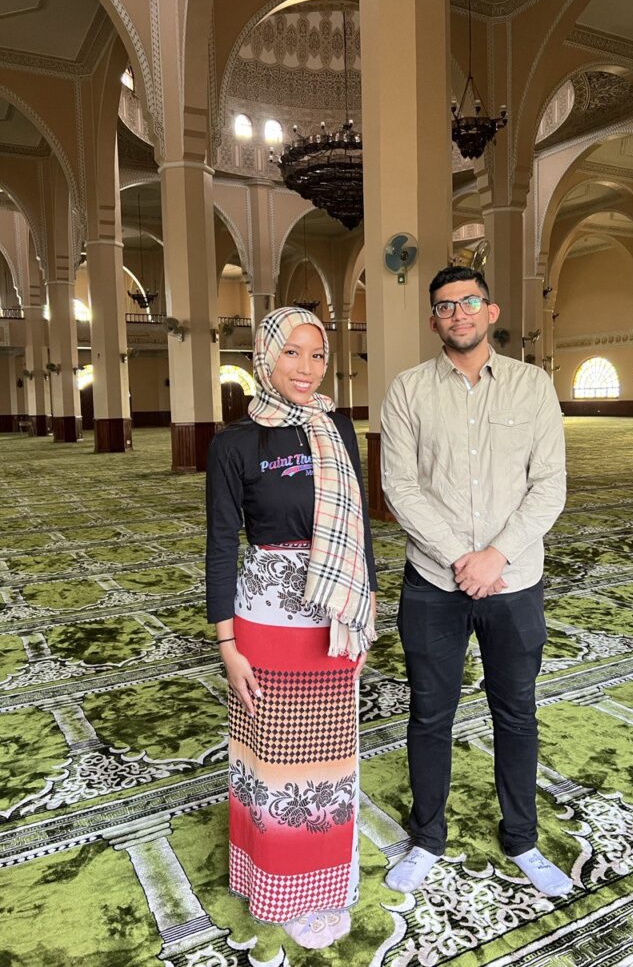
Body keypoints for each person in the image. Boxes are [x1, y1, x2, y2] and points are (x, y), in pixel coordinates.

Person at [379, 265, 573, 899]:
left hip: (514, 582)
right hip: (433, 582)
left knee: (515, 712)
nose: (457, 313)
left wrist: (497, 556)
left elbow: (549, 486)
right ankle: (426, 838)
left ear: (490, 312)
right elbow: (399, 487)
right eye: (445, 306)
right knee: (430, 713)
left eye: (469, 302)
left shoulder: (532, 386)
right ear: (433, 319)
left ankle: (522, 839)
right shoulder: (408, 390)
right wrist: (462, 557)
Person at [206, 306, 377, 950]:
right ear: (265, 357)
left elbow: (358, 523)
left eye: (318, 354)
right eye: (293, 353)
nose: (308, 368)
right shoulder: (235, 443)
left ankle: (326, 880)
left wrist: (365, 614)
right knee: (275, 762)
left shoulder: (338, 428)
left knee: (330, 760)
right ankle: (276, 883)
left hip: (334, 617)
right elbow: (221, 546)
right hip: (267, 623)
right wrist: (228, 646)